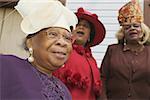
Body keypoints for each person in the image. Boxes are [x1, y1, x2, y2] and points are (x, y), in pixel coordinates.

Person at [0, 0, 78, 100]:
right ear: (30, 42)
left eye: (67, 38)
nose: (62, 42)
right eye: (52, 34)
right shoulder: (6, 66)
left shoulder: (65, 92)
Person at [100, 0, 150, 99]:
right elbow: (103, 78)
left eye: (136, 26)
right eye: (127, 27)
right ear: (123, 32)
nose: (132, 29)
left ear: (143, 30)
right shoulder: (112, 50)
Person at [53, 7, 106, 100]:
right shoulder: (62, 51)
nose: (81, 27)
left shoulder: (92, 60)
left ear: (89, 36)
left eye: (85, 26)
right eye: (77, 24)